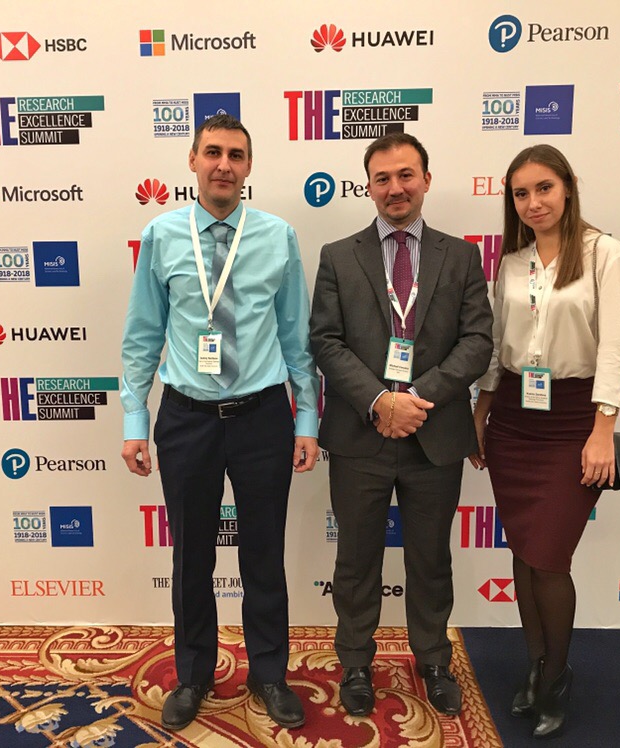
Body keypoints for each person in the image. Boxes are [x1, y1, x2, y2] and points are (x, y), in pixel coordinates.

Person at [120, 114, 319, 731]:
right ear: (192, 160)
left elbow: (296, 337)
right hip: (187, 419)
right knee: (191, 558)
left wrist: (307, 419)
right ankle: (194, 675)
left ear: (249, 166)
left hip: (262, 418)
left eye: (235, 155)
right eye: (212, 152)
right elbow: (142, 335)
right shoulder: (161, 234)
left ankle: (269, 674)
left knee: (263, 554)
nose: (223, 165)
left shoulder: (278, 236)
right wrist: (134, 419)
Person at [310, 132, 493, 718]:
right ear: (368, 186)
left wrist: (415, 397)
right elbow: (325, 341)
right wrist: (379, 401)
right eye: (383, 178)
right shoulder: (338, 256)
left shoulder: (460, 256)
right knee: (356, 560)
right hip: (360, 434)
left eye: (406, 175)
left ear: (426, 180)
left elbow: (477, 341)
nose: (395, 188)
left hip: (433, 434)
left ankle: (433, 659)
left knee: (431, 558)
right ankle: (355, 663)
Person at [470, 144, 620, 739]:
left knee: (549, 557)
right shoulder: (512, 263)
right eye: (521, 193)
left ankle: (558, 675)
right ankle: (536, 667)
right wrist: (481, 411)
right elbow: (498, 345)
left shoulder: (604, 253)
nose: (533, 202)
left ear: (568, 186)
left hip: (573, 421)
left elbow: (616, 345)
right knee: (523, 552)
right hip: (515, 418)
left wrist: (603, 429)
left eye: (544, 188)